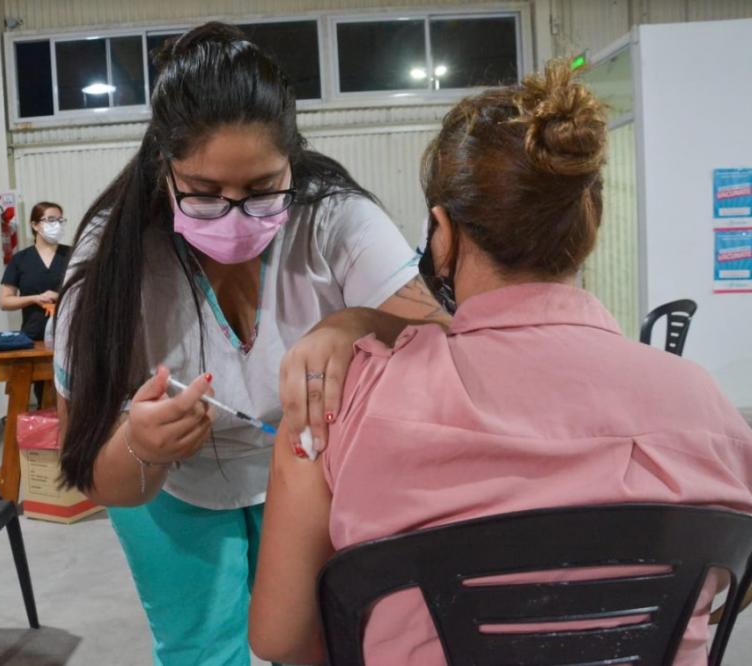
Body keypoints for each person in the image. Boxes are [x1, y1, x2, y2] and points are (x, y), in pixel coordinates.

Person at [249, 61, 752, 666]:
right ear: (587, 229)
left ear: (442, 231)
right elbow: (731, 578)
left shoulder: (338, 404)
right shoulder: (706, 408)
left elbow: (281, 638)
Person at [53, 22, 448, 666]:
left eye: (263, 190)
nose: (237, 215)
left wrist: (357, 323)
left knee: (315, 639)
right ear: (164, 167)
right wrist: (139, 444)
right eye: (205, 194)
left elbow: (441, 336)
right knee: (203, 649)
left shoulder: (332, 216)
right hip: (168, 485)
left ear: (293, 159)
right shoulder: (111, 264)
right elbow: (89, 468)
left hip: (302, 465)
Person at [0, 200, 70, 342]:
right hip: (32, 337)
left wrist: (60, 296)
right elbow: (5, 301)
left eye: (60, 220)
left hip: (69, 337)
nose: (56, 225)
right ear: (35, 225)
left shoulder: (72, 255)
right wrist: (34, 298)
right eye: (51, 220)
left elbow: (87, 292)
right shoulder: (20, 259)